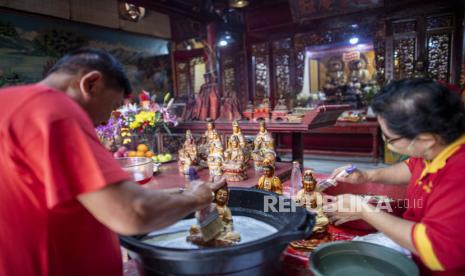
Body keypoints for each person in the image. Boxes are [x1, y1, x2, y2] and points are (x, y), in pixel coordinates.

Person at [0, 48, 223, 276]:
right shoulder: (54, 113)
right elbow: (134, 212)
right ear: (91, 84)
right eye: (114, 106)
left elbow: (87, 197)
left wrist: (181, 193)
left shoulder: (9, 103)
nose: (107, 119)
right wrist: (197, 197)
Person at [324, 78, 465, 275]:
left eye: (389, 139)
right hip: (414, 237)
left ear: (425, 140)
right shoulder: (437, 146)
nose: (386, 143)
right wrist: (366, 176)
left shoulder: (459, 174)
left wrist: (363, 209)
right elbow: (411, 167)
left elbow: (436, 250)